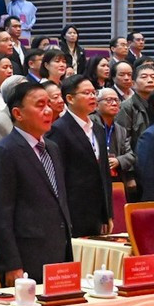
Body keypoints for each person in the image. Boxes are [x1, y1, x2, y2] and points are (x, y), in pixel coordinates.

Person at [0, 77, 72, 284]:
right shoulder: (5, 151)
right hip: (26, 257)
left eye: (49, 104)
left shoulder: (52, 147)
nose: (48, 111)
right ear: (18, 113)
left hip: (59, 251)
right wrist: (11, 263)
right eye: (40, 105)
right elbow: (0, 214)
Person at [44, 74, 110, 237]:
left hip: (97, 213)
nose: (92, 97)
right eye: (86, 93)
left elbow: (104, 174)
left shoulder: (98, 129)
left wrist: (108, 213)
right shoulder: (58, 130)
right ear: (70, 98)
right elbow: (58, 177)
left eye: (94, 93)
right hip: (73, 212)